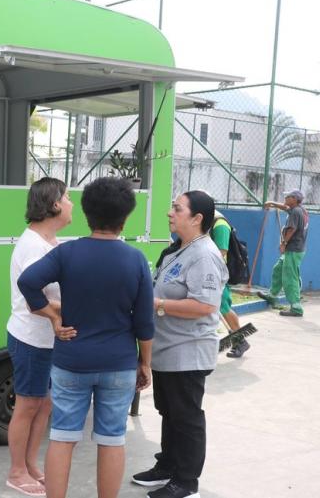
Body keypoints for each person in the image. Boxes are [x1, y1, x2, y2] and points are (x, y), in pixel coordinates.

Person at [18, 177, 154, 498]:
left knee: (63, 437)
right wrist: (145, 362)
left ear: (87, 213)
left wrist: (52, 316)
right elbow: (145, 322)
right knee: (111, 439)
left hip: (71, 360)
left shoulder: (67, 253)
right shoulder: (135, 259)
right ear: (124, 218)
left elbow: (28, 282)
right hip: (119, 363)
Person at [132, 191, 228, 498]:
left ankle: (187, 483)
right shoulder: (179, 251)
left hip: (188, 351)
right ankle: (168, 466)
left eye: (177, 208)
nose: (169, 213)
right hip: (166, 350)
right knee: (169, 412)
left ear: (197, 218)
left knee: (186, 417)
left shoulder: (204, 255)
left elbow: (205, 305)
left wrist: (158, 304)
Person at [4, 178, 73, 497]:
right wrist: (78, 305)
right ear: (55, 204)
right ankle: (16, 472)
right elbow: (36, 301)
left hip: (47, 340)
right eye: (68, 198)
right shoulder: (33, 246)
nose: (72, 204)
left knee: (43, 405)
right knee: (28, 404)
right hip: (32, 339)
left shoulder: (50, 241)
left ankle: (30, 464)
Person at [257, 189, 309, 317]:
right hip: (295, 248)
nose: (285, 198)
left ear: (295, 199)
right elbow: (286, 207)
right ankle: (272, 295)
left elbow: (291, 229)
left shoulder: (296, 212)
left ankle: (296, 307)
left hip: (293, 249)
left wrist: (283, 243)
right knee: (278, 269)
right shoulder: (299, 209)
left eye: (288, 197)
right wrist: (273, 204)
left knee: (290, 278)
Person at [210, 211, 250, 358]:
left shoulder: (219, 224)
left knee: (223, 307)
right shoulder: (207, 221)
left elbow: (222, 251)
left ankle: (240, 340)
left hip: (217, 273)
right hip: (210, 272)